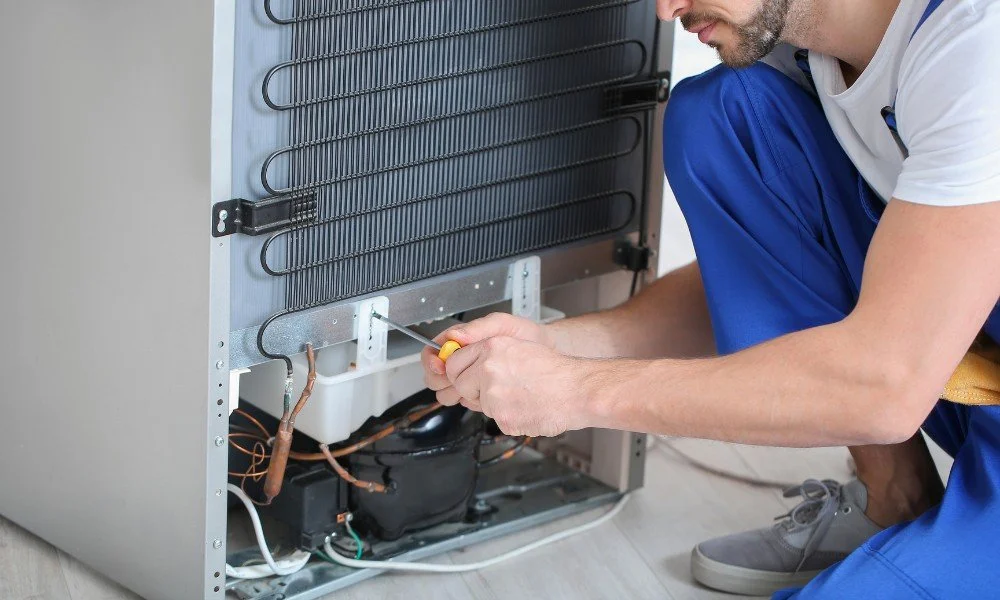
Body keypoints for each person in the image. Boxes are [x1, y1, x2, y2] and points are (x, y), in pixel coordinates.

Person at [422, 0, 1000, 597]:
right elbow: (778, 269)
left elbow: (887, 387)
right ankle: (894, 502)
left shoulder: (978, 43)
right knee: (724, 115)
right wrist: (560, 346)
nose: (667, 8)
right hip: (961, 359)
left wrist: (576, 392)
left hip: (917, 375)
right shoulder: (794, 52)